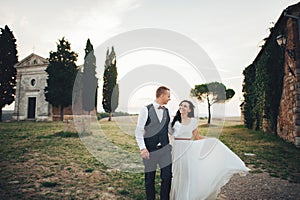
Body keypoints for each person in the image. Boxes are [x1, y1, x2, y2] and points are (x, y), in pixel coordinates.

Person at [170, 100, 250, 200]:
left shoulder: (193, 121)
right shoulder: (174, 121)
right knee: (177, 173)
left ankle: (187, 196)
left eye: (185, 106)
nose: (182, 107)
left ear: (189, 109)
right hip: (177, 149)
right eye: (181, 105)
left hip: (188, 149)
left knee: (187, 173)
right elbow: (168, 134)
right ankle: (177, 196)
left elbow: (197, 137)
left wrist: (212, 140)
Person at [135, 86, 173, 200]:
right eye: (168, 96)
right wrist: (143, 148)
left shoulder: (167, 111)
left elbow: (170, 130)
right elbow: (139, 131)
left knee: (167, 177)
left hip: (165, 150)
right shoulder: (146, 110)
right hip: (150, 151)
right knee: (150, 178)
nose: (169, 99)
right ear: (161, 95)